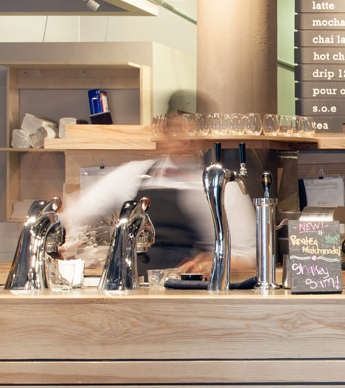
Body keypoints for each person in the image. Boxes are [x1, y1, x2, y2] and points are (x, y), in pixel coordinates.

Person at [59, 112, 256, 276]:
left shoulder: (223, 186)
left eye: (189, 134)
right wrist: (60, 235)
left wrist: (216, 262)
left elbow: (248, 253)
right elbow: (80, 211)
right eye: (175, 132)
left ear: (200, 139)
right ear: (164, 136)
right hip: (136, 288)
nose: (183, 140)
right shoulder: (133, 174)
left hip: (191, 292)